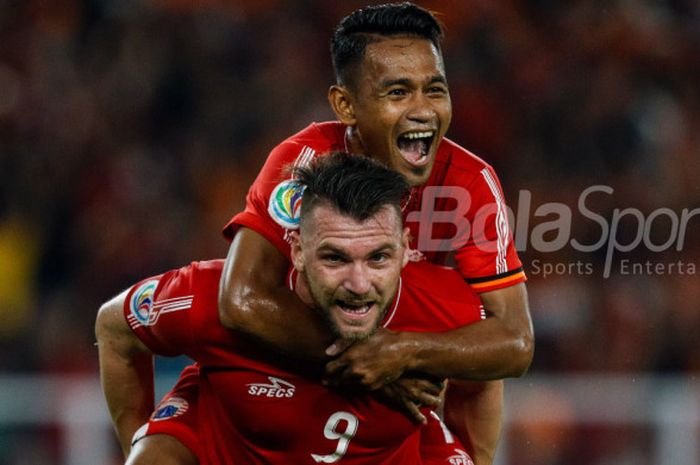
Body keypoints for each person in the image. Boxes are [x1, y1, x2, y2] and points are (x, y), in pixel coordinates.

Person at [102, 2, 533, 464]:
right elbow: (241, 298)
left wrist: (402, 352)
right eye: (398, 92)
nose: (422, 111)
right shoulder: (301, 161)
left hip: (387, 369)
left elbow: (509, 344)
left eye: (435, 90)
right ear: (346, 105)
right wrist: (366, 361)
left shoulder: (470, 184)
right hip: (275, 359)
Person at [97, 152, 483, 465]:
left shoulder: (445, 305)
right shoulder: (214, 299)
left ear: (405, 249)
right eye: (335, 259)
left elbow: (488, 368)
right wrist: (137, 439)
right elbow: (113, 329)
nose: (359, 284)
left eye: (378, 258)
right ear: (297, 251)